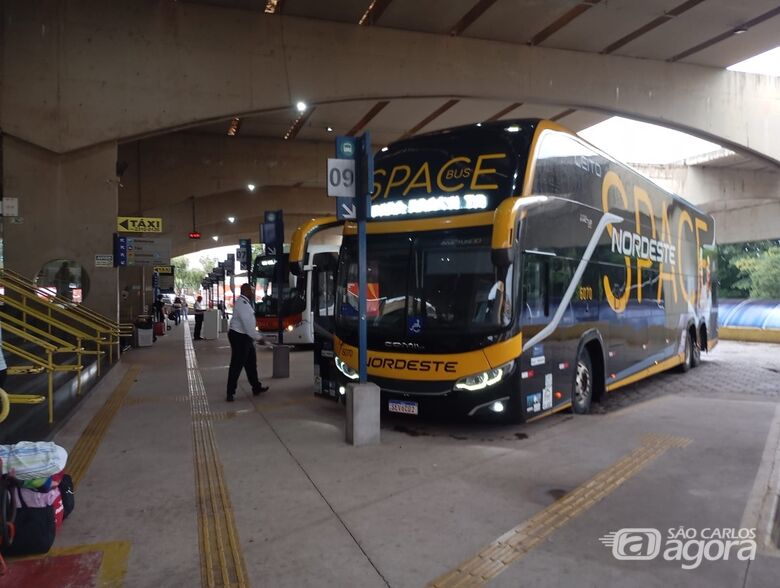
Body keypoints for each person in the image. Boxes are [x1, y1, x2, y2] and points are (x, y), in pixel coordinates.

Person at [225, 283, 268, 402]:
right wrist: (259, 338)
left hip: (244, 337)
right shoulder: (243, 304)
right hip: (240, 337)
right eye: (252, 291)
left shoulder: (243, 302)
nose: (253, 293)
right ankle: (230, 392)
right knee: (236, 365)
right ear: (246, 291)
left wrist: (254, 337)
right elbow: (248, 325)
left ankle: (256, 387)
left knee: (251, 364)